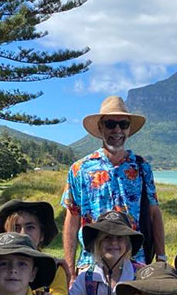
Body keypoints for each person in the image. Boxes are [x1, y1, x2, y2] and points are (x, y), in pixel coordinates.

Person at [62, 95, 166, 272]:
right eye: (110, 124)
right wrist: (70, 268)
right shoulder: (80, 169)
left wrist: (161, 257)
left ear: (128, 129)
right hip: (91, 261)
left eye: (123, 124)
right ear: (100, 127)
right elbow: (72, 217)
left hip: (135, 261)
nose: (117, 130)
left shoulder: (141, 167)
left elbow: (154, 213)